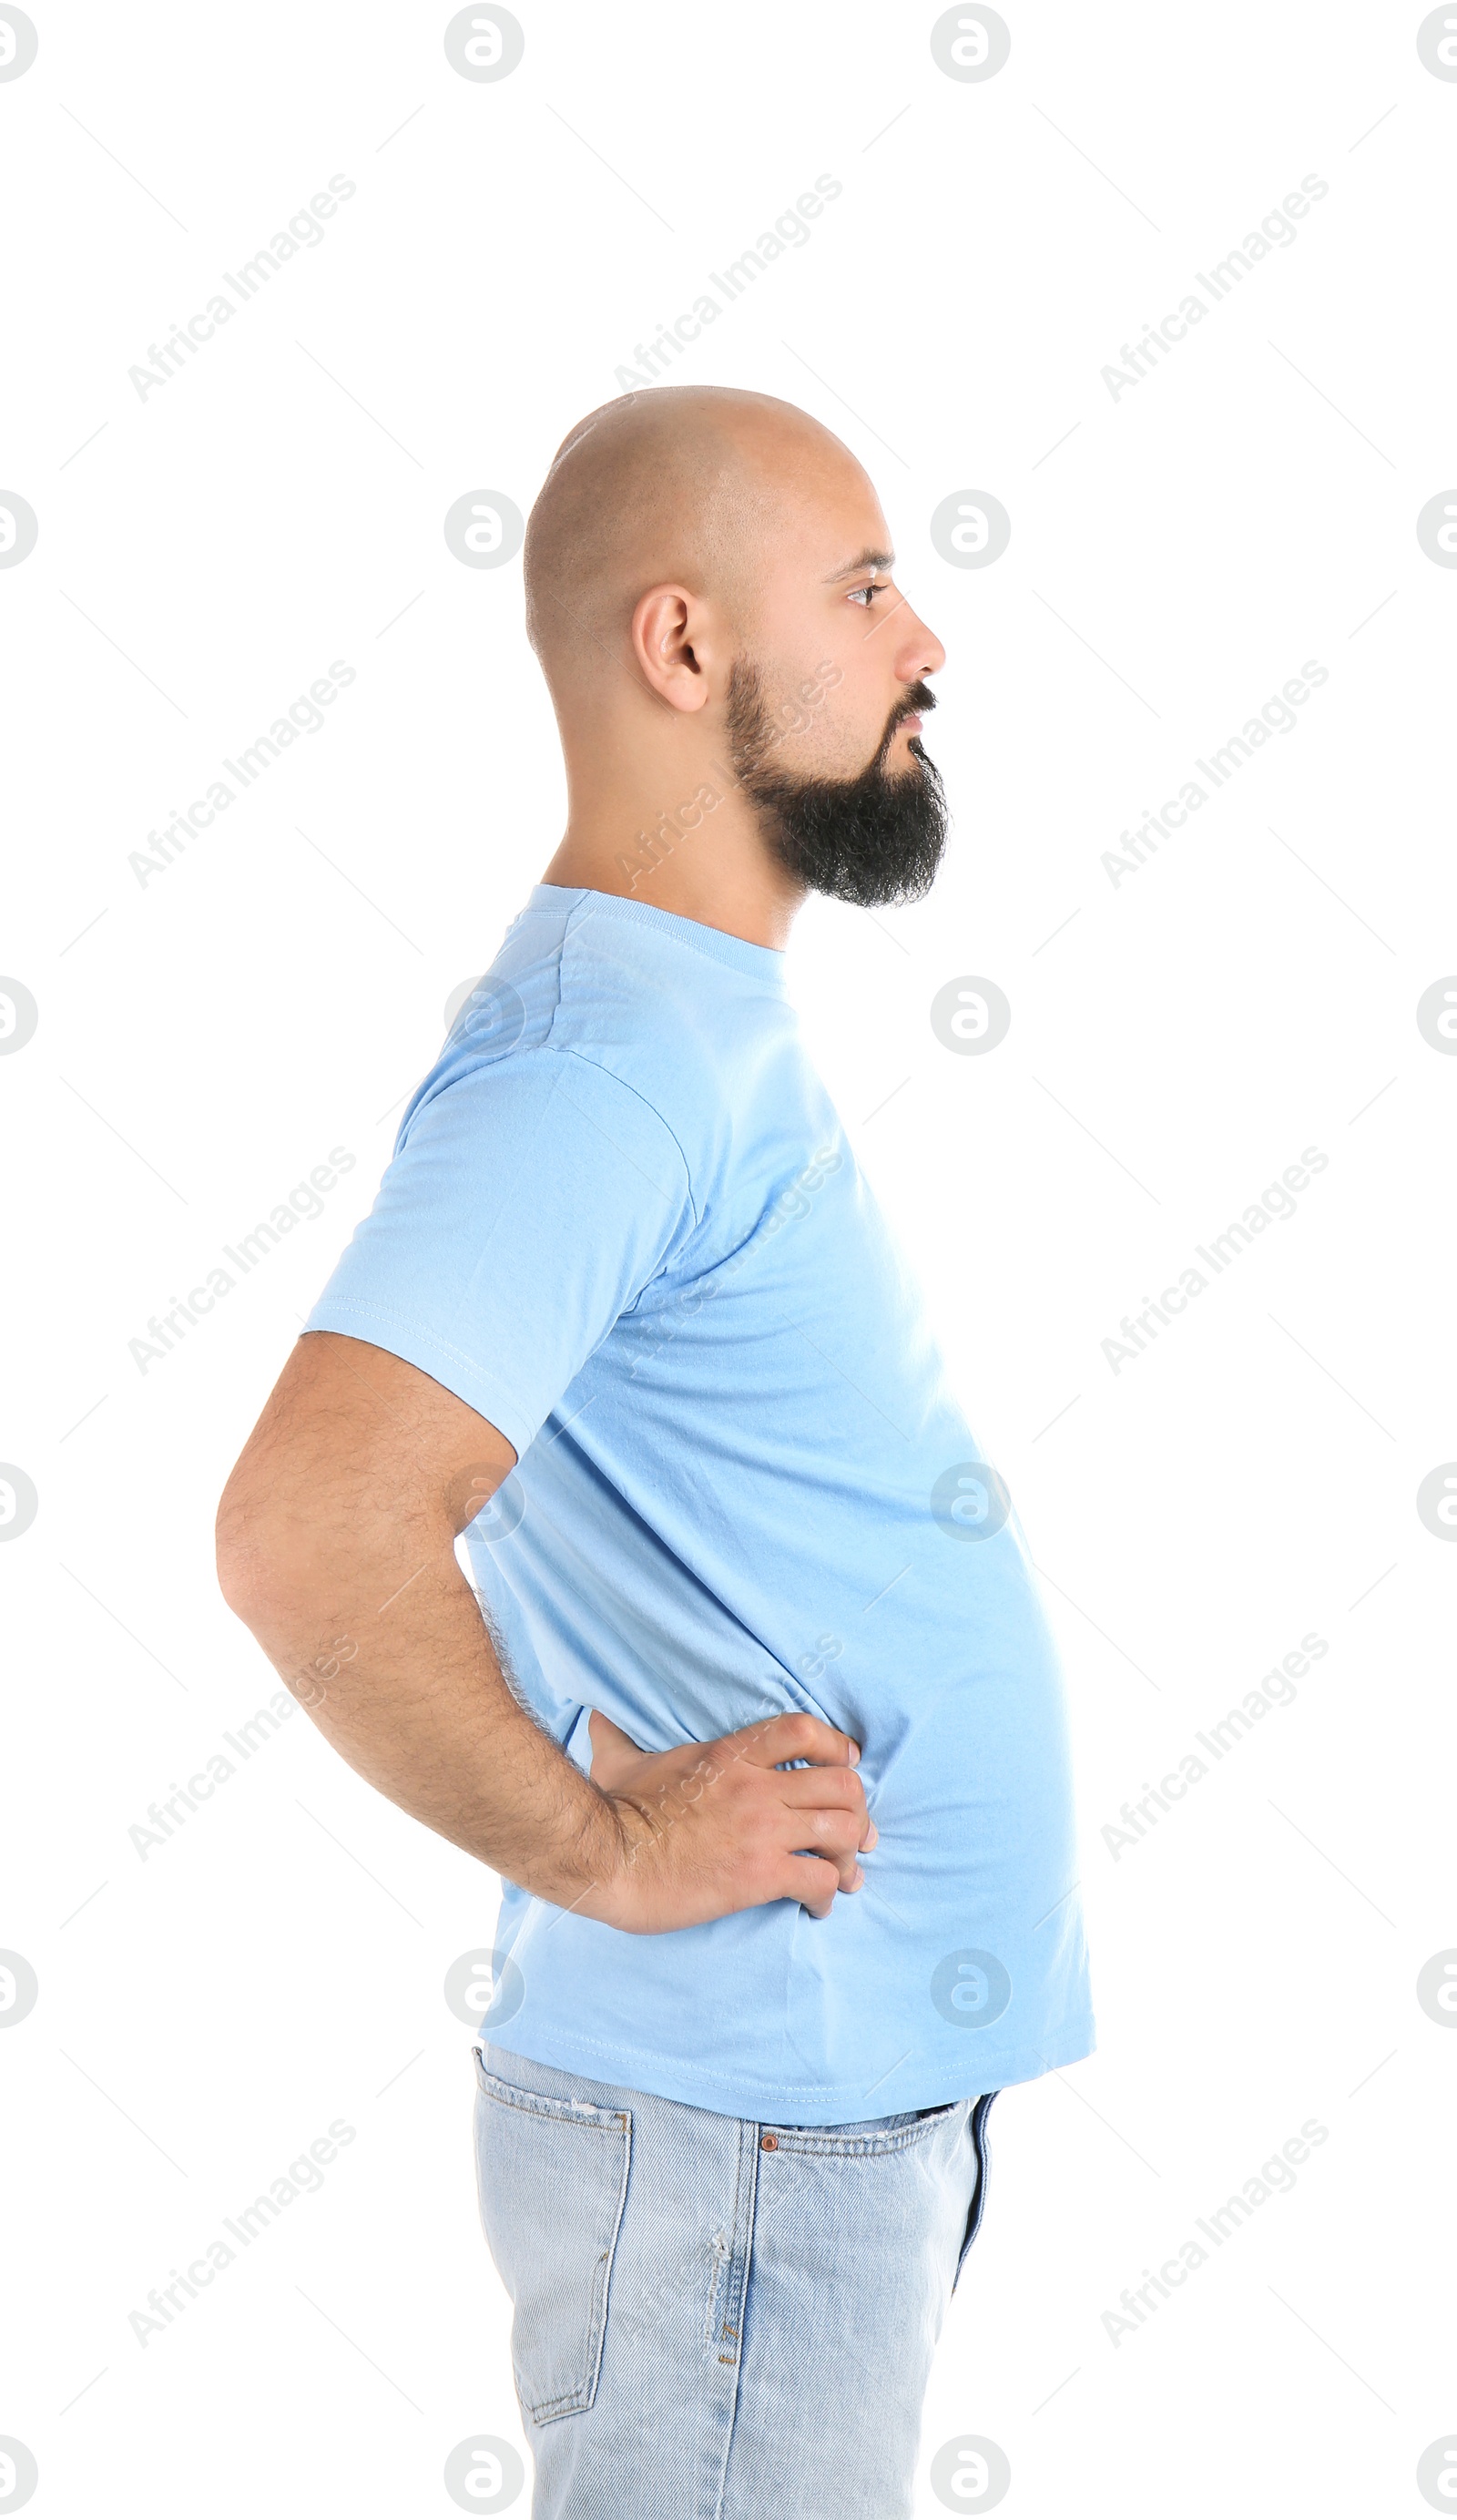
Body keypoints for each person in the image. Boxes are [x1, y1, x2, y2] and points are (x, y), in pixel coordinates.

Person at [216, 385, 1094, 2519]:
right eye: (866, 585)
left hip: (796, 2121)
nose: (925, 645)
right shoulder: (605, 1063)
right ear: (687, 650)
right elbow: (306, 1530)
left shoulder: (677, 1028)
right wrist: (602, 1850)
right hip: (739, 2147)